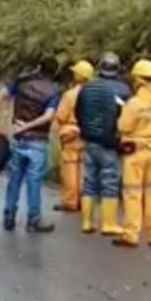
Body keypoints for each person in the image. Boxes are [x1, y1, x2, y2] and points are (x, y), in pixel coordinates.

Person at [75, 52, 132, 235]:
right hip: (110, 142)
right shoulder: (123, 90)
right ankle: (108, 224)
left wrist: (86, 129)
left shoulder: (87, 88)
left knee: (89, 181)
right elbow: (127, 117)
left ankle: (86, 222)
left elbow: (78, 112)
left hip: (89, 140)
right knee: (110, 181)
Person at [0, 64, 60, 233]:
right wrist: (28, 126)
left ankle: (9, 215)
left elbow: (1, 95)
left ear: (38, 67)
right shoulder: (53, 91)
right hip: (38, 141)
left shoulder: (22, 82)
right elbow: (48, 116)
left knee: (15, 178)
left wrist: (2, 122)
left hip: (18, 139)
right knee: (34, 182)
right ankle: (33, 219)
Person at [115, 59, 151, 248]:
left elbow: (123, 126)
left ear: (138, 79)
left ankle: (131, 234)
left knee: (132, 193)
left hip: (135, 150)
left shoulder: (135, 103)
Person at [54, 59, 94, 212]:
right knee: (84, 169)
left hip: (70, 135)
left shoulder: (69, 95)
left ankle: (70, 201)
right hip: (88, 133)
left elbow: (61, 116)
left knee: (70, 168)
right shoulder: (93, 95)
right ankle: (85, 200)